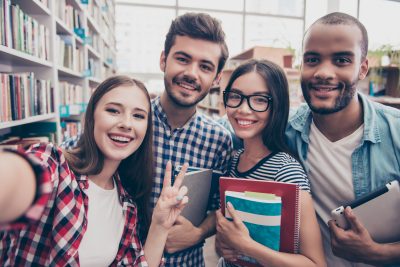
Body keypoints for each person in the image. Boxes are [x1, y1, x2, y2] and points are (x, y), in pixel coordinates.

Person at [0, 75, 189, 267]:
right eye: (113, 111)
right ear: (92, 116)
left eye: (138, 116)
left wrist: (159, 225)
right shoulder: (55, 165)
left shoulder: (126, 203)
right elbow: (20, 177)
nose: (126, 124)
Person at [285, 12, 400, 266]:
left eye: (341, 60)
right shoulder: (284, 131)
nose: (324, 72)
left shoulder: (396, 133)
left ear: (362, 68)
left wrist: (378, 254)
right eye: (312, 59)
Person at [215, 59, 326, 267]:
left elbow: (315, 263)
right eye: (236, 97)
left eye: (259, 100)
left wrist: (247, 246)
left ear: (277, 106)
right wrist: (224, 246)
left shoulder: (286, 172)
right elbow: (225, 245)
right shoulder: (232, 160)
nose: (243, 109)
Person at [152, 12, 232, 266]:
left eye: (205, 67)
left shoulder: (220, 139)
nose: (191, 73)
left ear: (217, 78)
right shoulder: (131, 125)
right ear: (164, 60)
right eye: (183, 59)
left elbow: (221, 207)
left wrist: (198, 233)